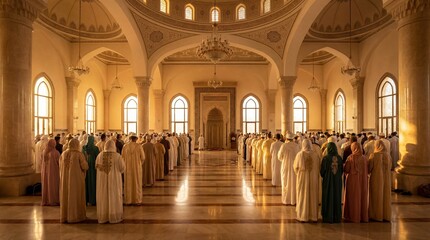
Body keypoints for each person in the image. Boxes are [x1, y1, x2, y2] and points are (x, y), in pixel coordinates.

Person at [59, 138, 89, 223]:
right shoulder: (79, 154)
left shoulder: (63, 154)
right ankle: (76, 216)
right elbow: (85, 166)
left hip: (65, 179)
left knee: (66, 195)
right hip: (76, 180)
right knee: (75, 196)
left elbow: (60, 166)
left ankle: (66, 216)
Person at [95, 140, 125, 224]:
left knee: (103, 196)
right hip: (114, 181)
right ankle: (114, 215)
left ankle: (103, 216)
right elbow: (122, 168)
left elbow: (96, 166)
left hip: (102, 182)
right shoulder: (117, 156)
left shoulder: (99, 155)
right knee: (114, 196)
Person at [293, 139, 320, 222]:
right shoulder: (315, 155)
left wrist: (299, 173)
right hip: (313, 178)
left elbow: (295, 167)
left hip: (302, 178)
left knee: (302, 195)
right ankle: (313, 216)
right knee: (313, 195)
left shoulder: (300, 155)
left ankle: (303, 216)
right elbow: (319, 167)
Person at [343, 142, 369, 223]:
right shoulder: (364, 158)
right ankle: (362, 216)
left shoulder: (350, 158)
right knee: (362, 197)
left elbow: (346, 169)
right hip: (363, 181)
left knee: (353, 198)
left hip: (352, 181)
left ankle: (353, 216)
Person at [368, 140, 392, 222]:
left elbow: (369, 168)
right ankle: (385, 215)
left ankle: (376, 215)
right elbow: (390, 167)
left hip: (376, 178)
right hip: (386, 179)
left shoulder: (374, 155)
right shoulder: (388, 156)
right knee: (385, 196)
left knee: (376, 196)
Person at [320, 142, 343, 223]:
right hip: (337, 181)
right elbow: (341, 170)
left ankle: (328, 217)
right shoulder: (339, 158)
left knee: (328, 196)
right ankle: (337, 217)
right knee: (336, 196)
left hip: (328, 181)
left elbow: (322, 172)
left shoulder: (326, 158)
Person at [122, 134, 145, 205]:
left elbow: (122, 157)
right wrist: (139, 164)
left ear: (130, 138)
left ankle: (128, 200)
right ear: (136, 139)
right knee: (136, 182)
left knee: (128, 183)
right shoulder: (139, 146)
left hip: (127, 167)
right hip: (137, 168)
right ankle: (137, 200)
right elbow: (143, 157)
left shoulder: (125, 146)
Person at [277, 133, 299, 205]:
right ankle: (294, 200)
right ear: (293, 138)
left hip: (285, 166)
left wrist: (285, 159)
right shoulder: (297, 146)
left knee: (286, 182)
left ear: (286, 138)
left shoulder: (284, 146)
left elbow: (279, 156)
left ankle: (287, 200)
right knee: (294, 182)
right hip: (294, 167)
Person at [41, 139, 60, 206]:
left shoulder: (44, 152)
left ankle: (47, 200)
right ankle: (53, 200)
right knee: (53, 185)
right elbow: (59, 163)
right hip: (54, 172)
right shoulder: (56, 153)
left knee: (46, 185)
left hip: (45, 172)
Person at [83, 135, 99, 206]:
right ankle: (93, 199)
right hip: (93, 166)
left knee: (86, 182)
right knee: (93, 182)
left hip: (85, 165)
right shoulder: (95, 148)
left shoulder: (84, 148)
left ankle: (86, 199)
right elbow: (98, 157)